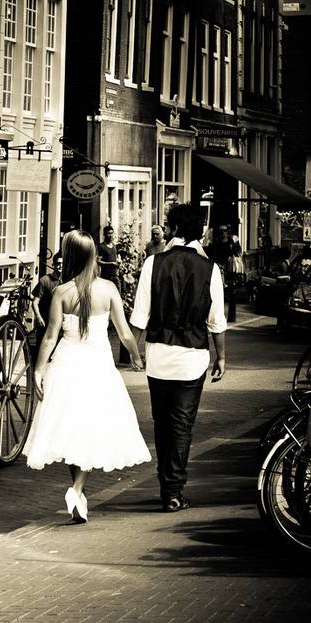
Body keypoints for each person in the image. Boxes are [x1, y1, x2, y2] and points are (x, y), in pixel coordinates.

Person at [23, 230, 150, 524]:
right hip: (97, 365)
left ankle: (78, 493)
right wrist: (135, 354)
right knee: (89, 429)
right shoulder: (107, 290)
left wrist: (39, 370)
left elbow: (50, 336)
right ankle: (77, 490)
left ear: (68, 257)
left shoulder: (61, 293)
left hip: (67, 362)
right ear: (93, 256)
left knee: (70, 428)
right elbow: (125, 332)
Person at [129, 203, 227, 513]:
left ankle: (166, 484)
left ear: (172, 229)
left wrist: (134, 352)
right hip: (192, 357)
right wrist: (221, 356)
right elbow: (216, 320)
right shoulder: (210, 268)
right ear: (200, 231)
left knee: (161, 422)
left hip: (159, 354)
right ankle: (173, 490)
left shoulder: (153, 264)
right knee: (182, 424)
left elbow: (140, 316)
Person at [31, 252, 62, 352]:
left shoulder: (67, 281)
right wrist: (38, 317)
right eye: (58, 264)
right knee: (42, 349)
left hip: (61, 322)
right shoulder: (45, 280)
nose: (60, 266)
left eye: (63, 263)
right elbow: (35, 302)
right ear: (53, 265)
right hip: (45, 321)